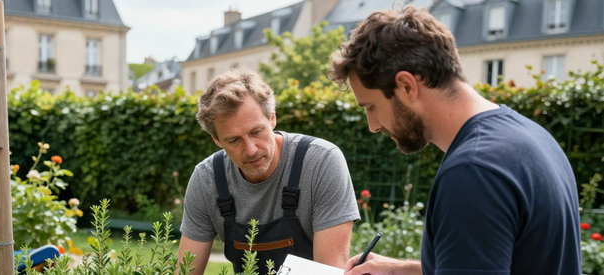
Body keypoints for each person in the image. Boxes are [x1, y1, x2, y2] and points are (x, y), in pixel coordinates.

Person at [327, 5, 581, 275]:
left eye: (371, 107)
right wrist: (399, 270)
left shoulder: (473, 172)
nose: (373, 125)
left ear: (406, 86)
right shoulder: (531, 136)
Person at [176, 68, 360, 274]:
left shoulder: (321, 162)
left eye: (256, 132)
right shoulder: (206, 179)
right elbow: (187, 271)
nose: (251, 150)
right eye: (234, 140)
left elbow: (329, 269)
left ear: (272, 118)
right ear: (217, 140)